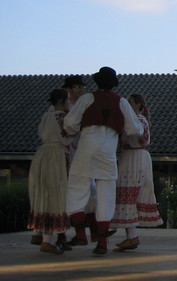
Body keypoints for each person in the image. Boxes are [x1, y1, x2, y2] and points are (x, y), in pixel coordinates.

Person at [64, 67, 144, 255]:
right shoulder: (121, 101)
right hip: (108, 151)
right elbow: (136, 130)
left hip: (86, 147)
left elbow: (70, 123)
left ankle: (80, 233)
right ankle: (102, 242)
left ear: (97, 82)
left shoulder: (87, 98)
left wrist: (77, 129)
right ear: (113, 84)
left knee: (76, 188)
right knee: (106, 195)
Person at [111, 94, 162, 252]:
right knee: (126, 193)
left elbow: (138, 138)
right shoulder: (134, 121)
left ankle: (131, 235)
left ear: (138, 105)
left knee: (129, 192)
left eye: (131, 103)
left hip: (135, 157)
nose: (129, 105)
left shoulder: (139, 120)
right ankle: (129, 234)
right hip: (130, 156)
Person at [27, 89, 75, 255]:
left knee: (44, 193)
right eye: (67, 100)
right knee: (56, 194)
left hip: (42, 155)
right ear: (62, 100)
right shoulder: (62, 117)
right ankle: (48, 239)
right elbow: (67, 136)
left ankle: (39, 232)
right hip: (56, 156)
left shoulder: (47, 115)